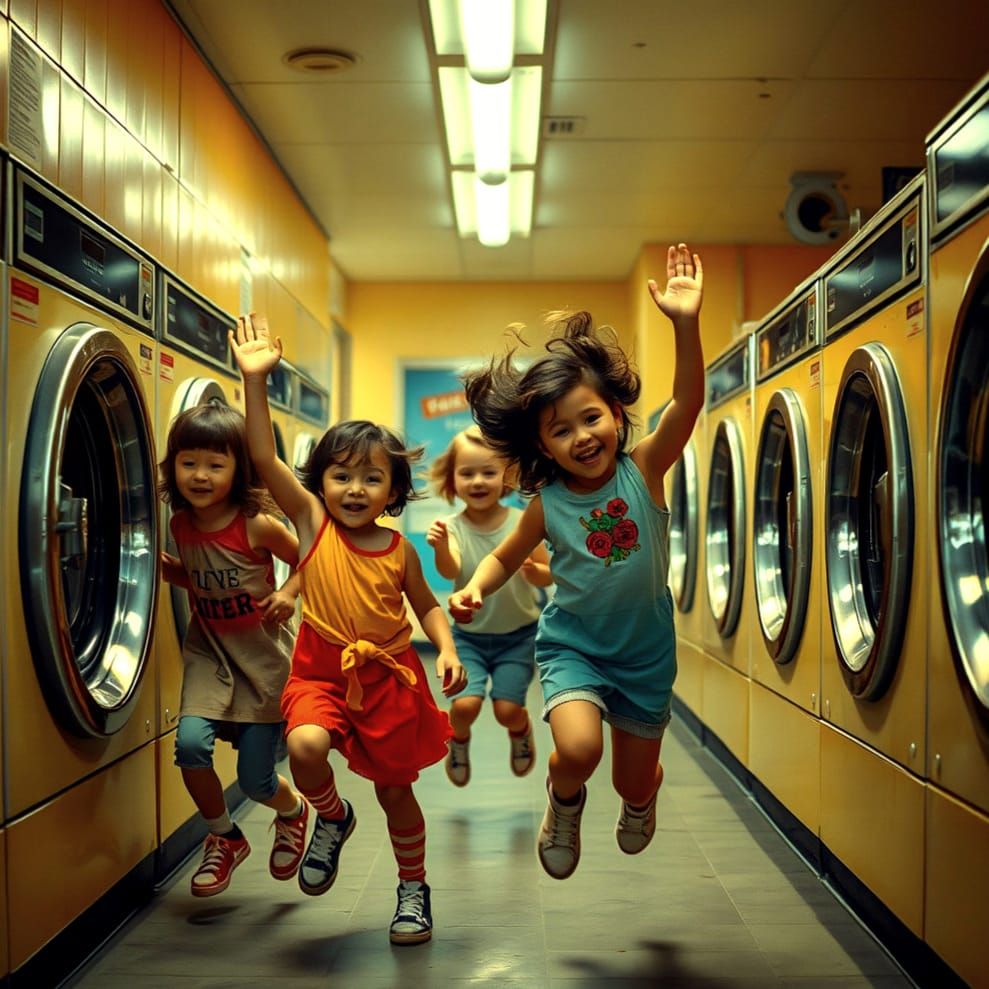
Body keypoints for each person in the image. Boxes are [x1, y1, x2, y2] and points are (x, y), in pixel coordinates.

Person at [449, 243, 704, 880]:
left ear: (615, 414)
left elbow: (689, 403)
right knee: (579, 749)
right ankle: (563, 801)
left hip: (645, 652)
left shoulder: (644, 469)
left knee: (632, 779)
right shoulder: (548, 501)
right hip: (573, 646)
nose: (581, 437)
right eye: (560, 431)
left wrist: (686, 323)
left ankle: (639, 799)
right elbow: (505, 557)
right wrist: (475, 588)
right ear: (542, 447)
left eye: (590, 418)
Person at [229, 314, 467, 946]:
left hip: (389, 680)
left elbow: (429, 606)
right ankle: (332, 818)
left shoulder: (399, 551)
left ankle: (412, 890)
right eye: (341, 475)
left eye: (371, 478)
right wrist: (255, 380)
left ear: (393, 491)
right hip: (320, 670)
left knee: (395, 792)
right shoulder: (311, 524)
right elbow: (261, 455)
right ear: (321, 483)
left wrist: (444, 648)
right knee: (304, 748)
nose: (354, 489)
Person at [158, 402, 308, 898]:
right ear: (172, 465)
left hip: (262, 658)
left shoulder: (255, 524)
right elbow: (198, 581)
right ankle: (223, 837)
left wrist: (287, 593)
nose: (200, 475)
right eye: (189, 462)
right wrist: (162, 566)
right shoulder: (180, 524)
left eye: (215, 465)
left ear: (238, 470)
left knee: (257, 781)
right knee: (191, 748)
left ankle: (293, 812)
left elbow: (310, 560)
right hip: (209, 652)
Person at [426, 425, 552, 787]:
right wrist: (438, 548)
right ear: (452, 480)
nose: (478, 481)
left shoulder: (522, 522)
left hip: (519, 637)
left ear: (507, 476)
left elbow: (547, 575)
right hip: (469, 638)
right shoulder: (451, 527)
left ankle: (521, 731)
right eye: (467, 473)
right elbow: (450, 568)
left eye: (488, 472)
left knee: (507, 710)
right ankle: (459, 743)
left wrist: (535, 572)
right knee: (463, 709)